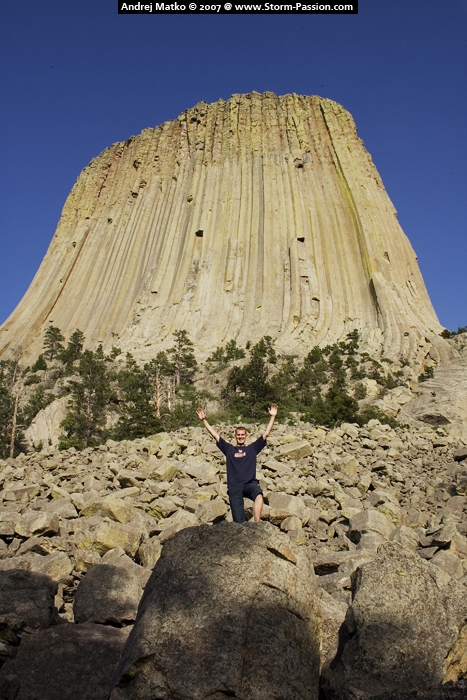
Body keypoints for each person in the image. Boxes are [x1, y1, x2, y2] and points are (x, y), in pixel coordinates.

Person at [196, 404, 278, 523]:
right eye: (238, 435)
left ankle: (257, 524)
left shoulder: (252, 448)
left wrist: (272, 417)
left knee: (259, 495)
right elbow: (215, 435)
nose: (240, 437)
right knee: (239, 522)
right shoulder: (229, 449)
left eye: (242, 435)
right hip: (234, 487)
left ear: (246, 436)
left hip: (249, 484)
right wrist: (204, 420)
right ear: (235, 436)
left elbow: (266, 434)